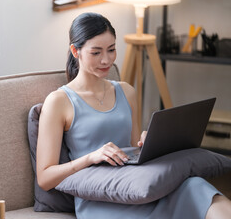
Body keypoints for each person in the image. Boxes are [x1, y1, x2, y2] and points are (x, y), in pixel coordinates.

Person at [36, 12, 231, 219]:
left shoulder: (126, 91)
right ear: (75, 51)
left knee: (196, 186)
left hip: (136, 186)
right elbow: (45, 177)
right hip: (100, 199)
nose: (106, 60)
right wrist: (91, 157)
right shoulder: (59, 101)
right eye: (96, 53)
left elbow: (134, 151)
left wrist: (149, 144)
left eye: (111, 50)